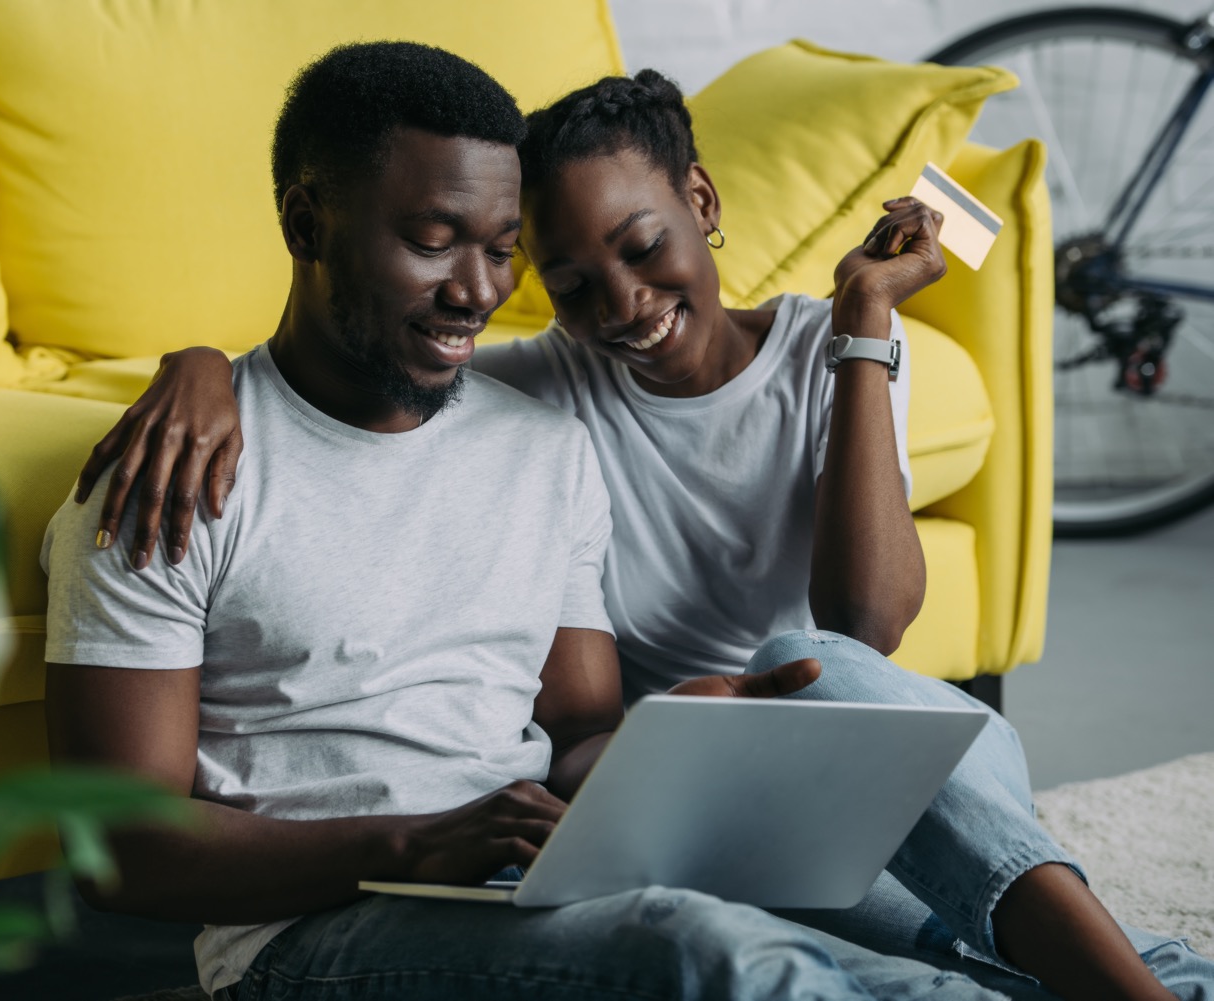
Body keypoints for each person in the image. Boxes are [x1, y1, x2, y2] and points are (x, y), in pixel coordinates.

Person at [77, 65, 1213, 1000]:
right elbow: (116, 841)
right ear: (305, 224)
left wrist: (675, 737)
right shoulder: (175, 471)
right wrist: (195, 368)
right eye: (436, 242)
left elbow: (583, 731)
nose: (477, 292)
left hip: (581, 848)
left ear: (703, 204)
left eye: (497, 250)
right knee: (706, 950)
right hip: (317, 929)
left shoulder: (537, 438)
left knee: (948, 932)